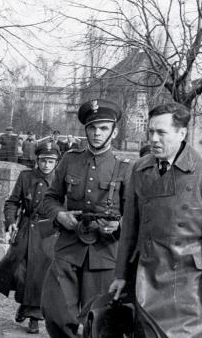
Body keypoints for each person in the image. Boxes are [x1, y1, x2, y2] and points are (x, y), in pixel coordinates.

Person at [109, 103, 202, 337]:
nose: (154, 139)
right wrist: (121, 275)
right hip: (147, 280)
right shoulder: (140, 169)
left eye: (161, 133)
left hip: (191, 287)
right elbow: (130, 228)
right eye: (151, 132)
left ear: (181, 133)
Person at [39, 99, 131, 338]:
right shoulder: (71, 159)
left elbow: (135, 214)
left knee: (98, 322)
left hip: (105, 254)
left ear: (114, 130)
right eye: (92, 127)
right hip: (69, 248)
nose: (97, 133)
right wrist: (60, 214)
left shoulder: (125, 167)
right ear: (85, 130)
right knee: (55, 312)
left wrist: (119, 224)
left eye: (103, 127)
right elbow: (49, 198)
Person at [0, 141, 62, 334]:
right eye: (43, 161)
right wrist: (11, 221)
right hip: (25, 229)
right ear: (37, 160)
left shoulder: (60, 181)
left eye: (51, 161)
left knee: (40, 274)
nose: (47, 165)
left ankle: (34, 317)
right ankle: (24, 304)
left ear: (56, 162)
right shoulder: (26, 177)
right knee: (18, 270)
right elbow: (12, 202)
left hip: (48, 233)